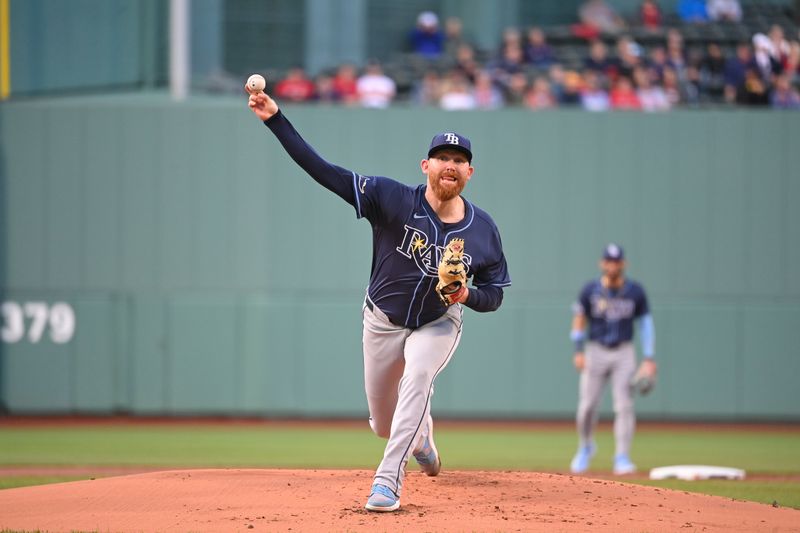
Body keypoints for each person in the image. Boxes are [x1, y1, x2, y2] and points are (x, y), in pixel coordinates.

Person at [245, 80, 511, 512]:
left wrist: (465, 295)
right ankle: (420, 438)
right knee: (383, 424)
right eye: (443, 157)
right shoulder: (390, 197)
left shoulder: (483, 230)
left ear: (469, 173)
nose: (451, 164)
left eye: (460, 160)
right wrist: (276, 119)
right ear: (425, 164)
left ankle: (387, 482)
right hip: (381, 321)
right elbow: (323, 170)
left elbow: (495, 293)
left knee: (419, 375)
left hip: (438, 321)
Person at [569, 244, 656, 475]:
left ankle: (622, 456)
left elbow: (646, 324)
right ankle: (586, 446)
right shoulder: (590, 290)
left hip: (623, 352)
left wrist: (649, 357)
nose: (612, 265)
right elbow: (579, 320)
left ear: (623, 264)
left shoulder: (635, 291)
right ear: (602, 263)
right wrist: (578, 350)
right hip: (595, 349)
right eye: (609, 261)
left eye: (616, 261)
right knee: (587, 406)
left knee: (625, 406)